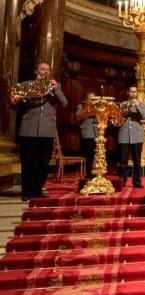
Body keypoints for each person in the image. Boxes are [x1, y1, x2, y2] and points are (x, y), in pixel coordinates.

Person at [10, 62, 68, 201]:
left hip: (47, 130)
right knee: (27, 162)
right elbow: (15, 103)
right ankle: (26, 191)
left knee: (43, 163)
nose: (45, 72)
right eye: (42, 69)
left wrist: (55, 90)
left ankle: (37, 190)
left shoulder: (55, 86)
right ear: (37, 71)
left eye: (48, 70)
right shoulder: (26, 85)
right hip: (29, 129)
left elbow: (64, 102)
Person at [117, 86, 145, 188]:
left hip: (137, 135)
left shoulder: (141, 104)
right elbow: (118, 117)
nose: (133, 93)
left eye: (135, 92)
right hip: (124, 134)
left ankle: (137, 181)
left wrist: (137, 106)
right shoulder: (122, 104)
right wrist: (127, 109)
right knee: (122, 161)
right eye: (131, 91)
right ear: (128, 92)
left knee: (137, 161)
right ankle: (122, 181)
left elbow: (144, 116)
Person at [75, 93, 97, 178]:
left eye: (93, 98)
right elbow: (77, 117)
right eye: (90, 98)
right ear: (86, 99)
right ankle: (88, 173)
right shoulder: (81, 106)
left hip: (96, 133)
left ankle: (95, 171)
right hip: (87, 133)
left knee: (96, 154)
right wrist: (90, 113)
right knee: (88, 154)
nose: (92, 100)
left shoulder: (97, 106)